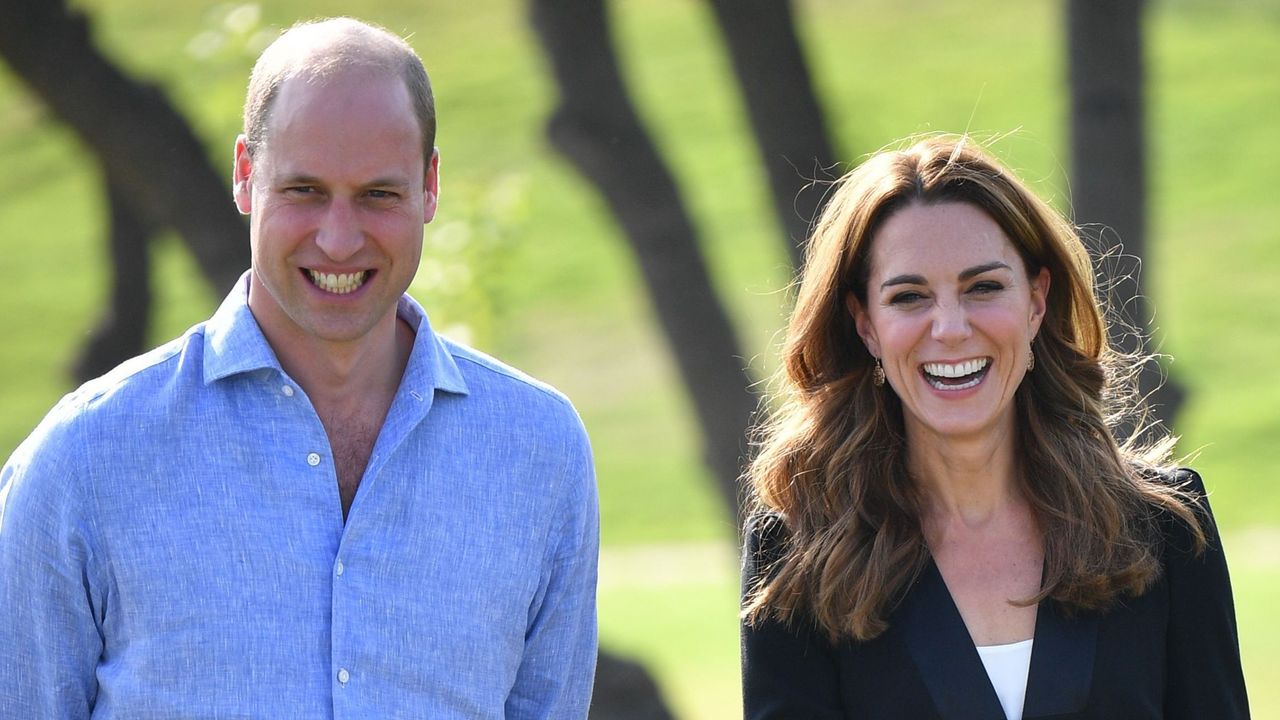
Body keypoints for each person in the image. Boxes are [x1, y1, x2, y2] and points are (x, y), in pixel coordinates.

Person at [0, 17, 598, 718]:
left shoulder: (540, 451)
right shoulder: (85, 459)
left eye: (378, 194)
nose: (339, 239)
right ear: (246, 176)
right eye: (304, 191)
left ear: (430, 186)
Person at [740, 136, 1249, 719]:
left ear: (1036, 301)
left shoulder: (1165, 531)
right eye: (909, 297)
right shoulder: (799, 558)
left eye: (983, 287)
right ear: (866, 326)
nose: (951, 328)